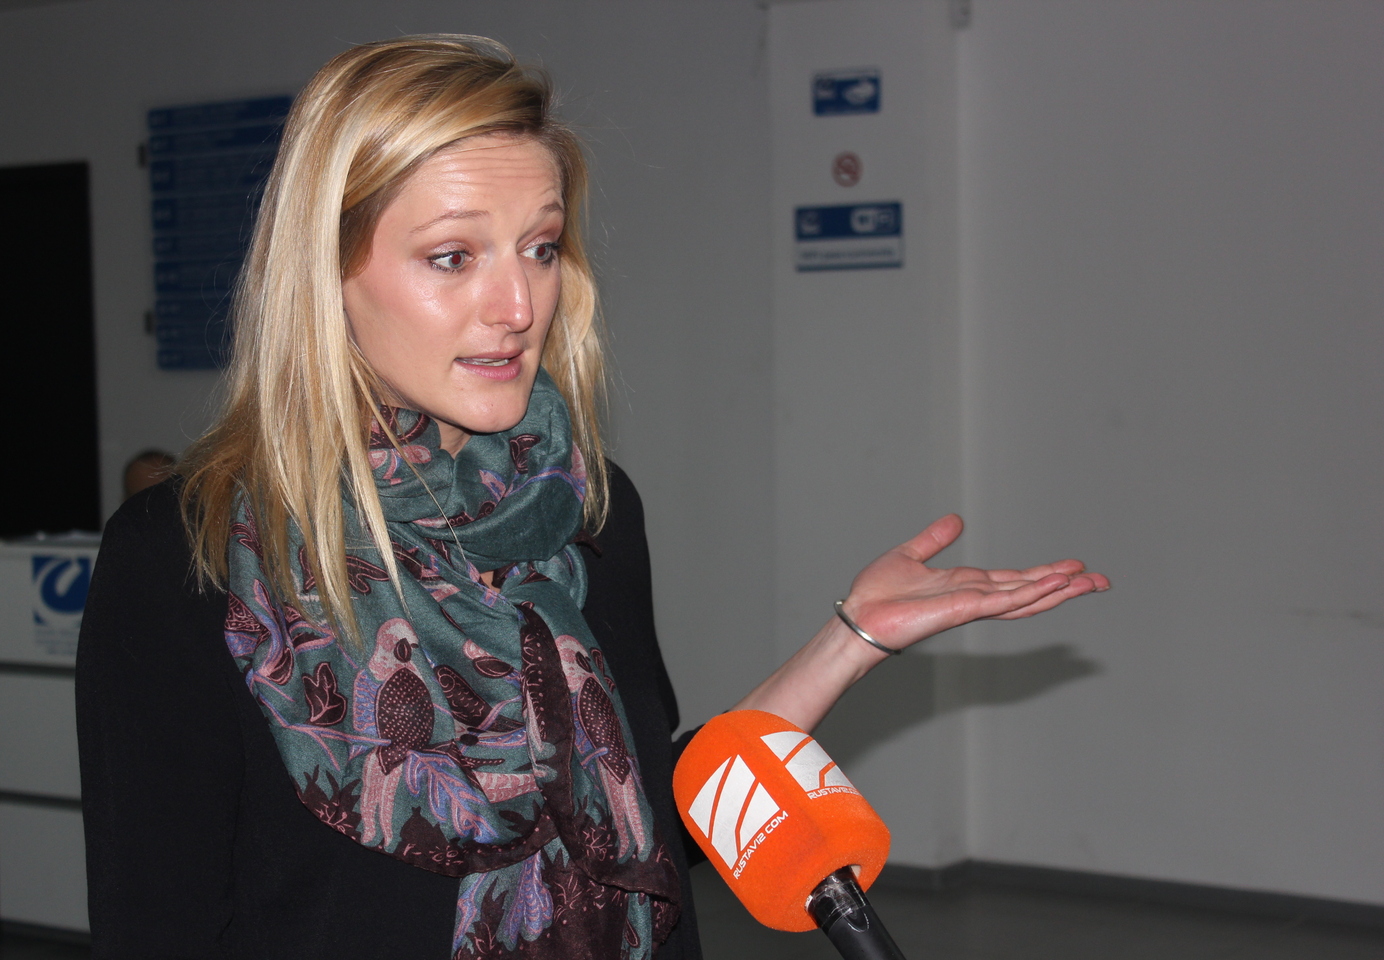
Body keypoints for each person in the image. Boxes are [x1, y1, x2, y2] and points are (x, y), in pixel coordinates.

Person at [76, 35, 1108, 960]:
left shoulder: (585, 507)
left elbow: (641, 816)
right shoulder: (186, 554)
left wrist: (849, 640)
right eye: (452, 257)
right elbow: (155, 924)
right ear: (327, 275)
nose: (516, 304)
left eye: (539, 247)